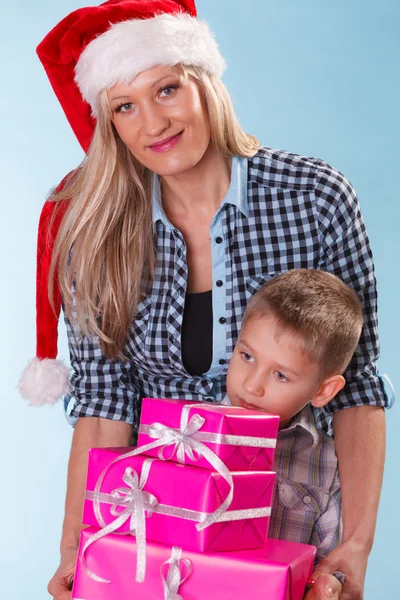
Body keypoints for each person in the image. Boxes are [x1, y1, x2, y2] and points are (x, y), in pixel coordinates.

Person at [18, 1, 390, 599]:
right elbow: (104, 404)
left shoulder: (315, 198)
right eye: (124, 106)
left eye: (167, 90)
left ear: (205, 83)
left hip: (293, 512)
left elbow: (360, 385)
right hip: (152, 516)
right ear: (108, 123)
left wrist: (355, 548)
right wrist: (75, 547)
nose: (152, 124)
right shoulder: (96, 230)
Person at [223, 268, 365, 598]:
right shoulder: (185, 435)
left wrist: (331, 584)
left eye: (281, 376)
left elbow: (331, 567)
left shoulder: (328, 467)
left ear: (324, 390)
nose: (251, 385)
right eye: (246, 356)